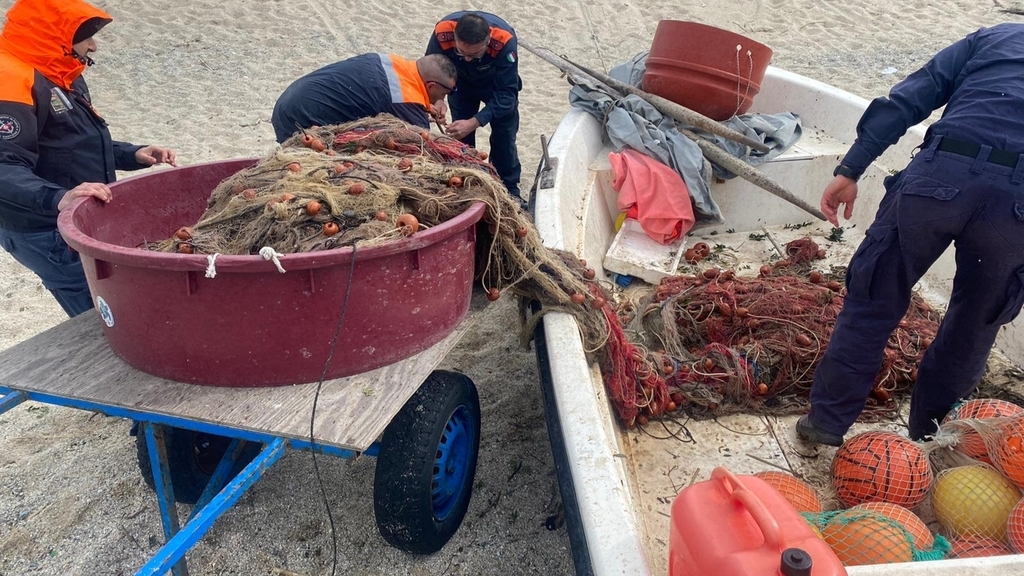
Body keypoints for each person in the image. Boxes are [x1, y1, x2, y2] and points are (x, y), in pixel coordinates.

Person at [796, 23, 1024, 447]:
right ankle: (929, 440)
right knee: (973, 328)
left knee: (872, 301)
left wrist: (850, 169)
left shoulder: (995, 38)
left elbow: (909, 99)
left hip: (938, 181)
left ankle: (826, 422)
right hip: (1016, 213)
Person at [0, 0, 177, 318]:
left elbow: (69, 140)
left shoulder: (60, 71)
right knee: (104, 315)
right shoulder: (11, 81)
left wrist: (131, 153)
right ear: (56, 39)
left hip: (78, 214)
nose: (93, 46)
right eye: (86, 39)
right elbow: (4, 165)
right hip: (46, 229)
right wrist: (59, 197)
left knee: (120, 303)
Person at [426, 11, 524, 208]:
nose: (468, 58)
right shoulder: (442, 33)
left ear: (488, 41)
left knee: (504, 138)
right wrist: (437, 99)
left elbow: (507, 95)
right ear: (454, 37)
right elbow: (431, 71)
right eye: (461, 52)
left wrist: (475, 121)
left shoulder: (504, 41)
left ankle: (508, 189)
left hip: (495, 84)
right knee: (462, 139)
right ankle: (468, 185)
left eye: (474, 54)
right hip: (460, 84)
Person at [271, 53, 457, 143]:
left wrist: (422, 108)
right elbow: (422, 142)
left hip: (290, 100)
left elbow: (378, 94)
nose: (442, 99)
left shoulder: (393, 63)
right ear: (431, 86)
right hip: (301, 117)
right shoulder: (405, 98)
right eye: (444, 94)